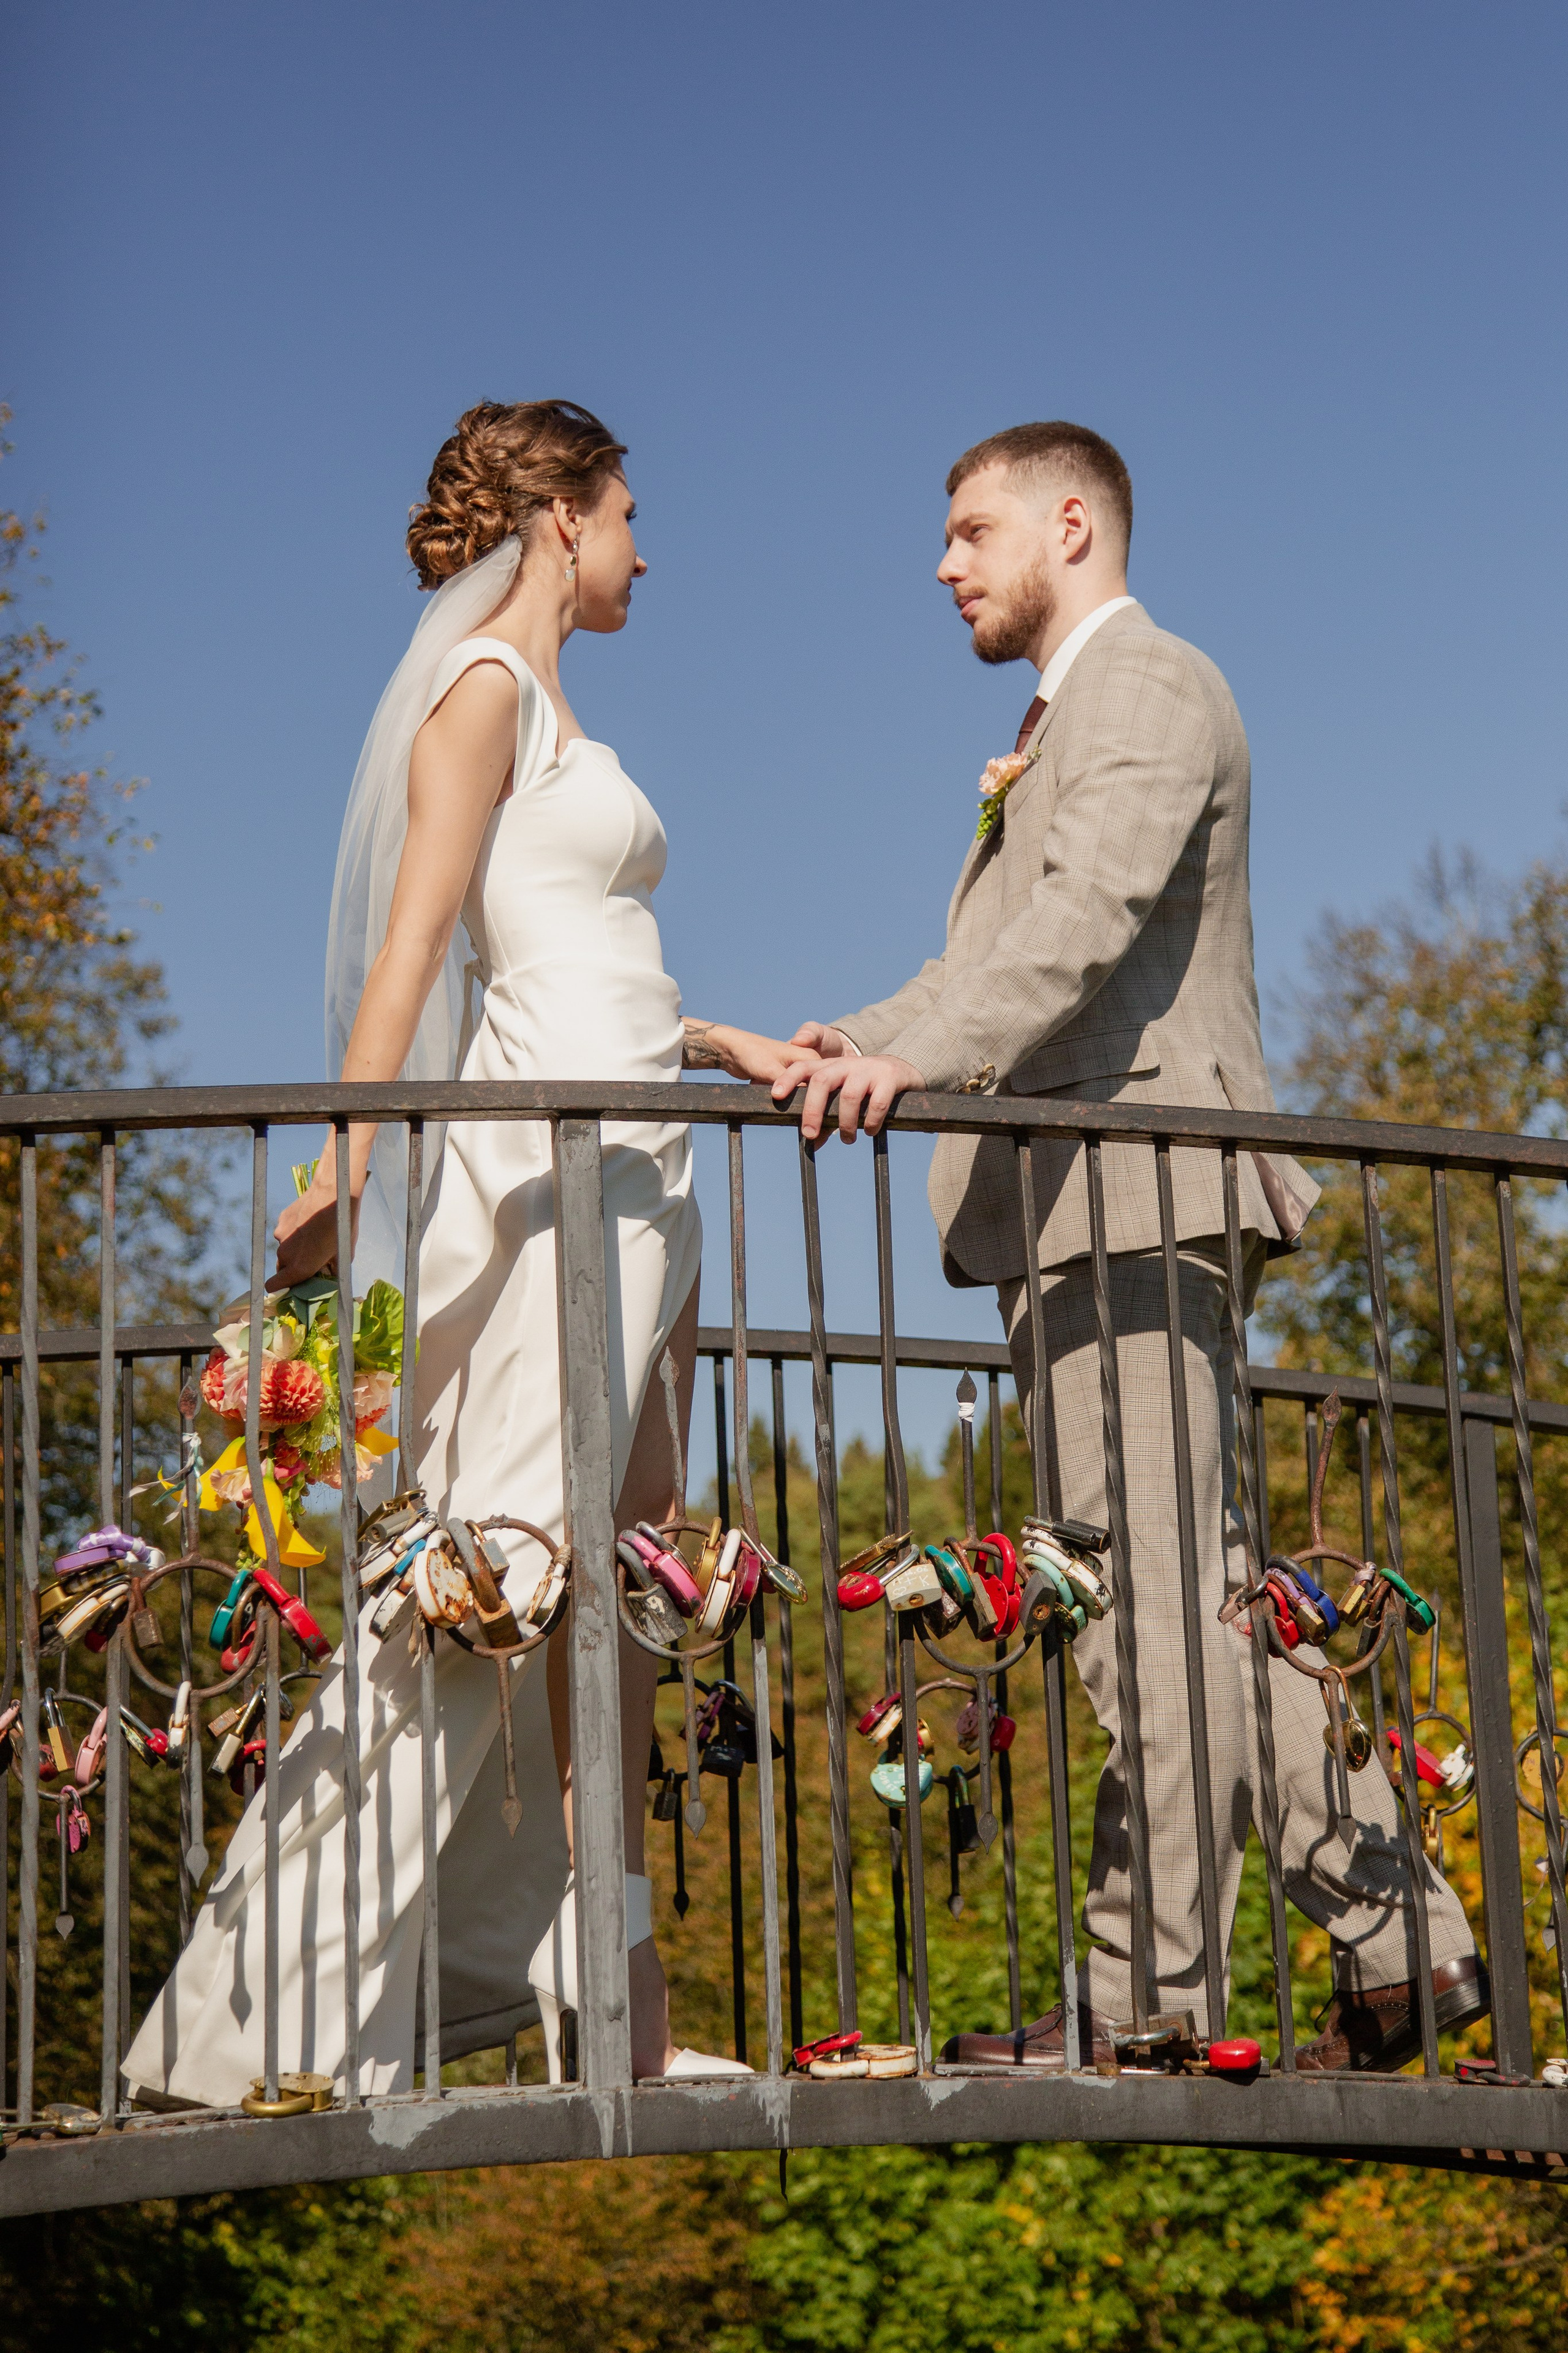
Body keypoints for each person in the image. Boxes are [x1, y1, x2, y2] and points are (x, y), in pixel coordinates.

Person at [772, 420, 1488, 2072]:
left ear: (1070, 522)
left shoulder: (1150, 688)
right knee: (1203, 1607)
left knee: (1140, 1621)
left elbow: (1080, 927)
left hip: (1143, 1203)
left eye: (969, 530)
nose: (942, 565)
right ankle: (1415, 1955)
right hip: (1093, 1214)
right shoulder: (1067, 719)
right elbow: (1014, 949)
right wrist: (832, 1044)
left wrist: (915, 1059)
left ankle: (1143, 2000)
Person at [126, 399, 805, 2103]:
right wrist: (343, 1171)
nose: (650, 542)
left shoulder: (558, 703)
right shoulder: (484, 695)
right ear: (562, 518)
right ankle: (251, 2021)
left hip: (645, 1150)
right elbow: (424, 946)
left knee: (622, 1586)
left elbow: (581, 952)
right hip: (568, 1169)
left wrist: (718, 1040)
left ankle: (621, 2006)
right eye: (632, 508)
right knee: (503, 1564)